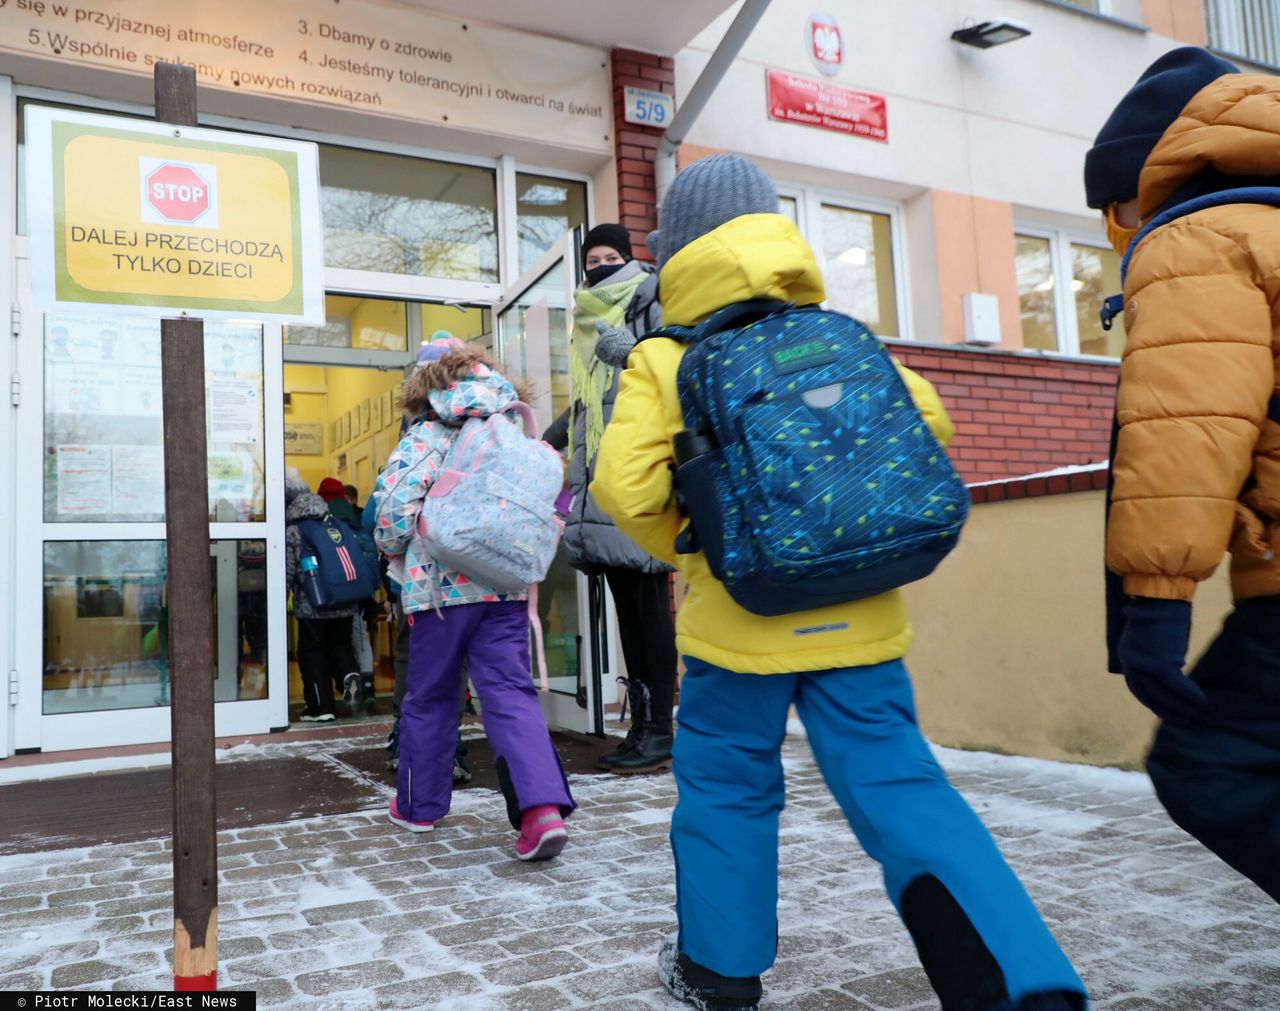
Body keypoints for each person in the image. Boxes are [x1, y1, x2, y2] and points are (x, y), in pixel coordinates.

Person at [592, 154, 1086, 1011]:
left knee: (727, 791)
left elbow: (625, 488)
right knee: (901, 782)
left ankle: (719, 972)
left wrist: (702, 542)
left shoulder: (664, 357)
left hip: (737, 625)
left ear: (676, 249)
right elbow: (928, 421)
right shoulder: (839, 335)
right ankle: (1017, 980)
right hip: (859, 618)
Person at [1084, 47, 1280, 903]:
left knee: (1210, 763)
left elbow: (1189, 425)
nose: (1113, 230)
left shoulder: (1198, 235)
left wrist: (1154, 605)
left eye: (1110, 209)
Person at [373, 335, 574, 859]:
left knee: (431, 697)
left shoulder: (428, 433)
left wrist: (394, 550)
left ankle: (419, 806)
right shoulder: (509, 427)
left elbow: (393, 510)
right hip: (506, 588)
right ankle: (541, 811)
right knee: (509, 693)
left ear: (423, 384)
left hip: (438, 592)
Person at [543, 223, 677, 775]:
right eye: (591, 258)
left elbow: (676, 365)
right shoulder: (586, 321)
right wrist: (546, 438)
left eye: (609, 256)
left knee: (648, 611)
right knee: (630, 611)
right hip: (605, 480)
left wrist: (633, 352)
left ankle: (659, 729)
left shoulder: (650, 296)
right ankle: (642, 725)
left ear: (628, 258)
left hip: (639, 473)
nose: (599, 266)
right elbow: (589, 403)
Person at [284, 471, 361, 722]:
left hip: (313, 605)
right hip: (343, 599)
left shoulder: (294, 529)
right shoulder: (333, 521)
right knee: (340, 644)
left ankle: (320, 707)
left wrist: (277, 600)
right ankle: (349, 673)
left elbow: (287, 568)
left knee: (313, 653)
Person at [319, 474, 375, 709]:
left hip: (331, 594)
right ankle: (368, 684)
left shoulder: (323, 523)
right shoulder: (358, 522)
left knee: (331, 641)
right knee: (360, 638)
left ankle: (342, 681)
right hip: (360, 592)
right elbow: (371, 558)